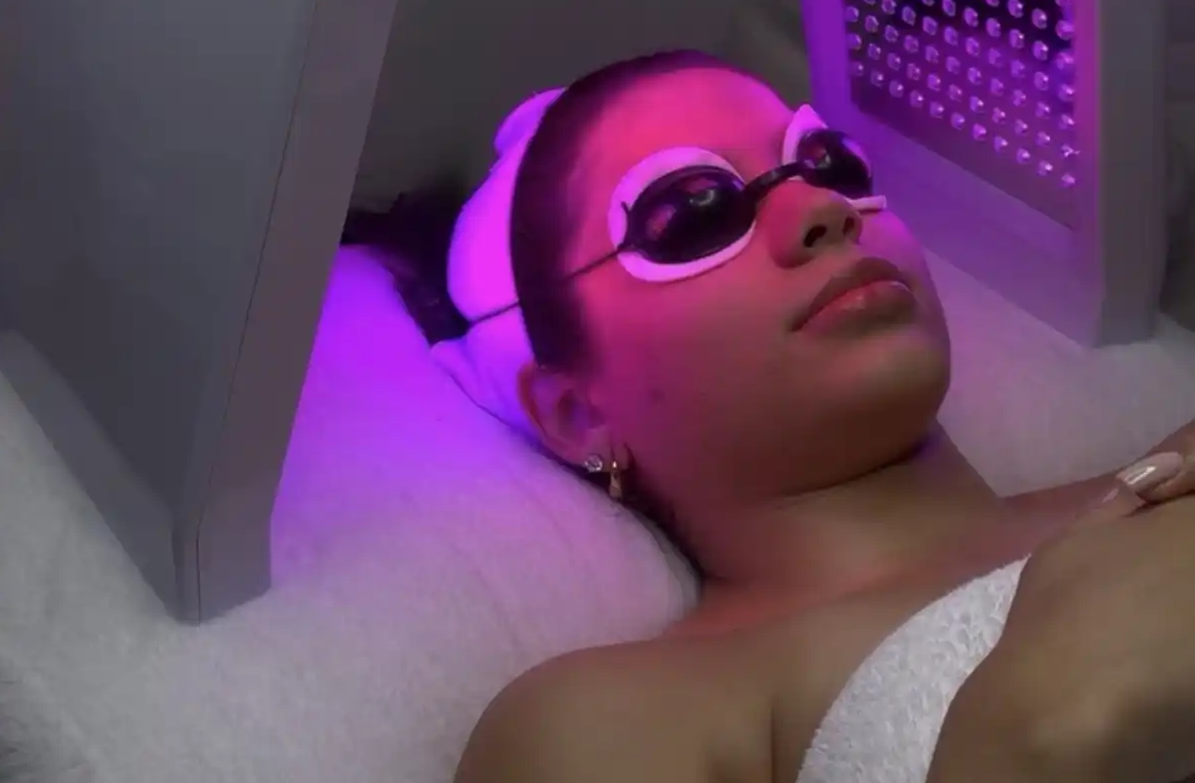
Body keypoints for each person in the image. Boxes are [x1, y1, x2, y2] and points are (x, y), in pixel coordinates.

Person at [354, 49, 1195, 783]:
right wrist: (1035, 736)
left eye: (830, 166)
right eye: (694, 215)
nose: (820, 210)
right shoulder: (621, 719)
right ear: (576, 413)